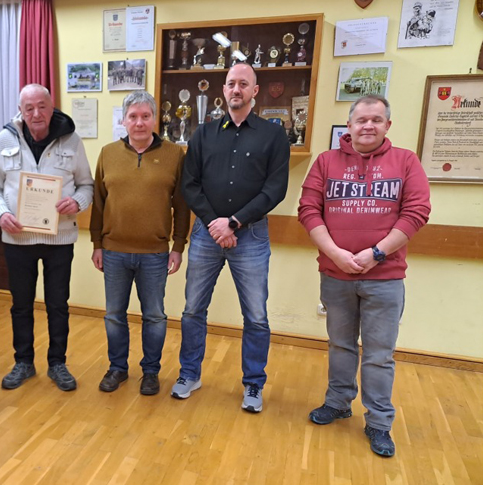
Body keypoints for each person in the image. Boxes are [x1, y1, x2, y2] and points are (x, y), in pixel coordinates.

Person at [298, 95, 430, 457]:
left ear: (388, 125)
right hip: (335, 274)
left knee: (378, 355)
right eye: (361, 120)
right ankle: (338, 403)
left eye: (376, 120)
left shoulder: (406, 161)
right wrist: (335, 254)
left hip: (385, 278)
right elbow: (308, 210)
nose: (368, 126)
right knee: (340, 345)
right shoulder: (326, 162)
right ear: (349, 125)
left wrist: (376, 254)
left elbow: (417, 212)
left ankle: (379, 423)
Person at [174, 63, 290, 413]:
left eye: (243, 83)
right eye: (230, 84)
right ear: (223, 90)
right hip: (206, 234)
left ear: (255, 91)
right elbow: (190, 184)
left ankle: (253, 384)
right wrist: (215, 223)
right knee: (193, 309)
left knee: (255, 316)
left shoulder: (273, 135)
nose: (236, 89)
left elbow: (275, 189)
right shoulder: (203, 134)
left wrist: (235, 222)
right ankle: (189, 374)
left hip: (250, 235)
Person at [0, 84, 94, 392]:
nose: (36, 113)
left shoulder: (71, 139)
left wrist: (77, 202)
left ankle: (57, 363)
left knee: (58, 304)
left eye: (42, 106)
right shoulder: (5, 138)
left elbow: (86, 185)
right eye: (29, 108)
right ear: (21, 110)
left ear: (52, 106)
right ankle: (23, 362)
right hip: (17, 239)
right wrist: (0, 214)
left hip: (59, 239)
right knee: (20, 304)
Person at [90, 91, 190, 396]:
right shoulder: (108, 153)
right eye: (133, 116)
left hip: (155, 254)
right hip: (114, 252)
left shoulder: (175, 155)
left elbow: (182, 205)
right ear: (123, 120)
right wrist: (97, 243)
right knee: (114, 315)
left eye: (146, 116)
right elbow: (98, 203)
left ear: (155, 119)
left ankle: (150, 372)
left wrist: (178, 246)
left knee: (155, 316)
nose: (139, 122)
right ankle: (117, 368)